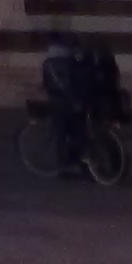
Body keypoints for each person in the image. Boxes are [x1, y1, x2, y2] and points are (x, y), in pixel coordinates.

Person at [42, 32, 84, 172]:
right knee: (75, 130)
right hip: (71, 100)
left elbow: (48, 84)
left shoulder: (48, 63)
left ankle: (64, 165)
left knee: (61, 132)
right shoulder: (71, 60)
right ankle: (75, 161)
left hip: (59, 100)